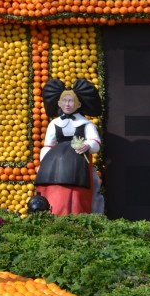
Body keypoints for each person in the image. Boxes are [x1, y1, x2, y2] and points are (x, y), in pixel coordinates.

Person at [34, 78, 102, 216]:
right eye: (64, 101)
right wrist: (43, 163)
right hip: (55, 164)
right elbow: (48, 145)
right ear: (59, 103)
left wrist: (88, 145)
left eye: (71, 101)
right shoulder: (54, 124)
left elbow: (95, 143)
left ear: (79, 104)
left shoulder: (86, 124)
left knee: (92, 184)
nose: (67, 104)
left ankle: (90, 215)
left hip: (80, 163)